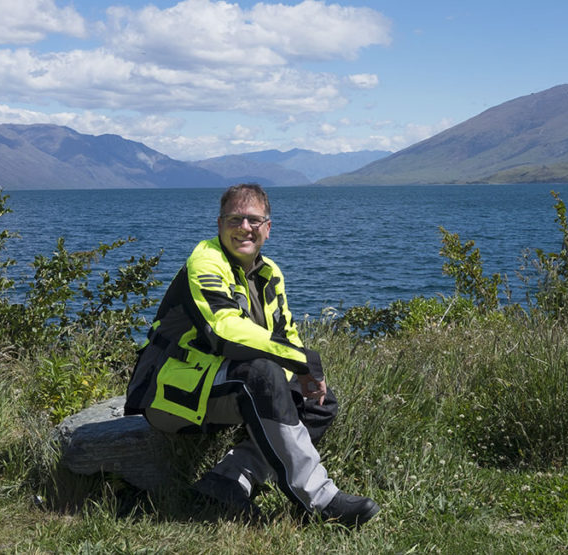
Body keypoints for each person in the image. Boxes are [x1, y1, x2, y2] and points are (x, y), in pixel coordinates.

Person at [124, 183, 379, 527]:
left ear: (268, 229)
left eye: (254, 220)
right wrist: (301, 360)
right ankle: (320, 502)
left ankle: (229, 479)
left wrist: (307, 376)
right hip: (171, 394)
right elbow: (224, 330)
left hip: (219, 386)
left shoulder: (270, 273)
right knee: (262, 374)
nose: (245, 227)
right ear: (219, 225)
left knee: (319, 401)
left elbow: (284, 333)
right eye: (235, 219)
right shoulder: (205, 262)